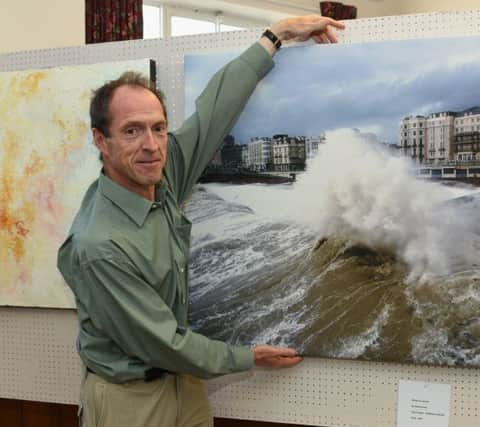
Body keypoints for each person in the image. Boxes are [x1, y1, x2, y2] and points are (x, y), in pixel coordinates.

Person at [57, 15, 345, 427]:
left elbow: (213, 112)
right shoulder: (100, 244)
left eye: (158, 128)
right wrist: (247, 357)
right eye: (132, 131)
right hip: (129, 400)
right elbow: (164, 343)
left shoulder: (163, 170)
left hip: (184, 382)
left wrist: (274, 36)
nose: (152, 146)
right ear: (101, 141)